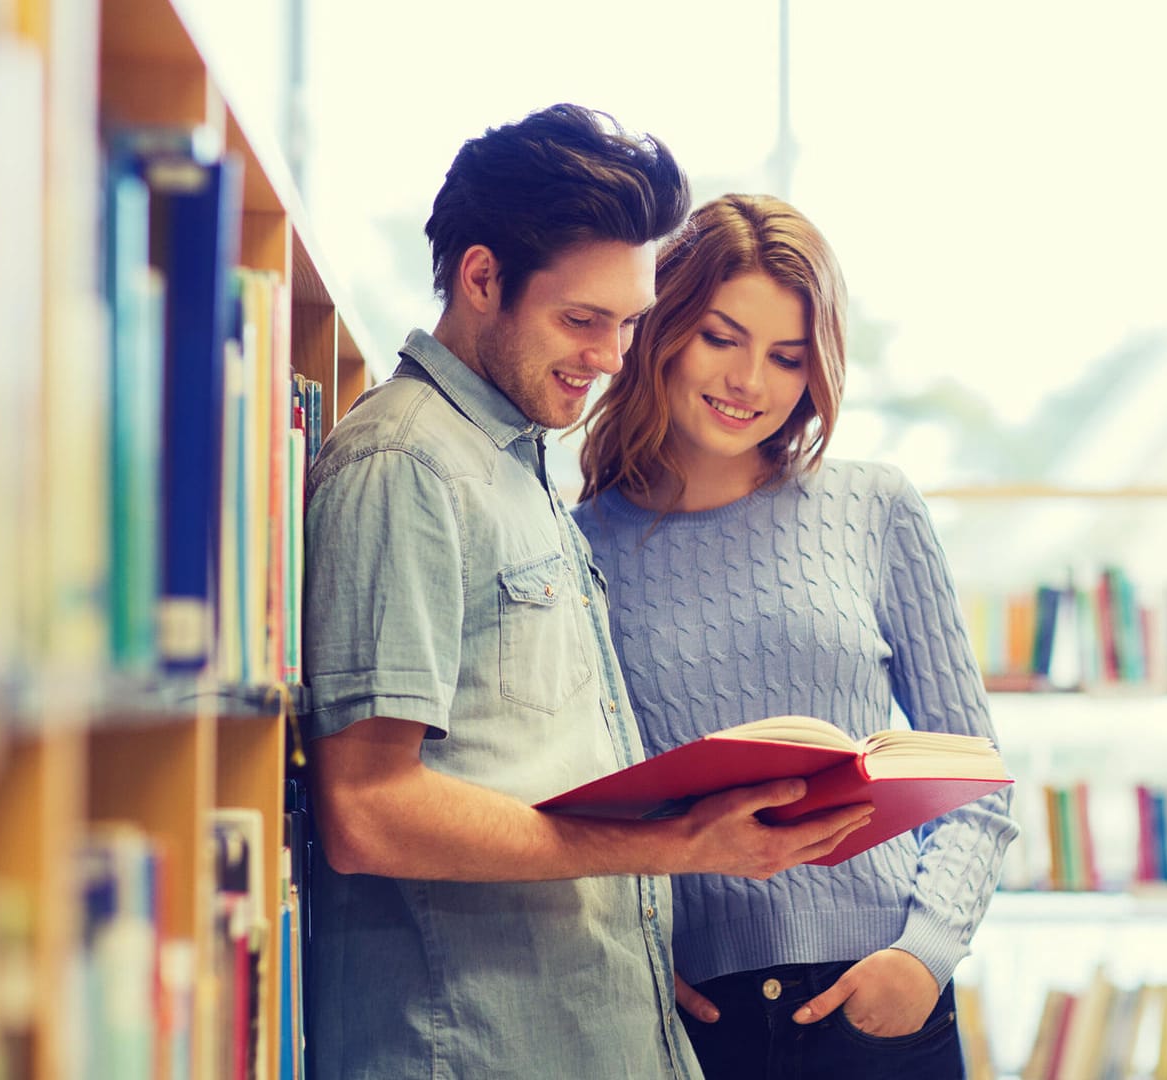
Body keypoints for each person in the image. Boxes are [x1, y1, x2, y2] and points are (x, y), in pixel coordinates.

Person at [300, 108, 876, 1080]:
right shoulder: (406, 464)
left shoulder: (516, 465)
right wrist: (679, 846)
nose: (612, 357)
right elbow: (368, 811)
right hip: (473, 1050)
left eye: (629, 322)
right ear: (481, 278)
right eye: (581, 320)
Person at [574, 194, 1017, 1080]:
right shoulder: (578, 546)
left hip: (882, 1002)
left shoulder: (874, 507)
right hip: (689, 1017)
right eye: (721, 338)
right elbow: (580, 801)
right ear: (658, 327)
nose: (751, 382)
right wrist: (636, 961)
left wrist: (922, 956)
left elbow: (978, 782)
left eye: (786, 357)